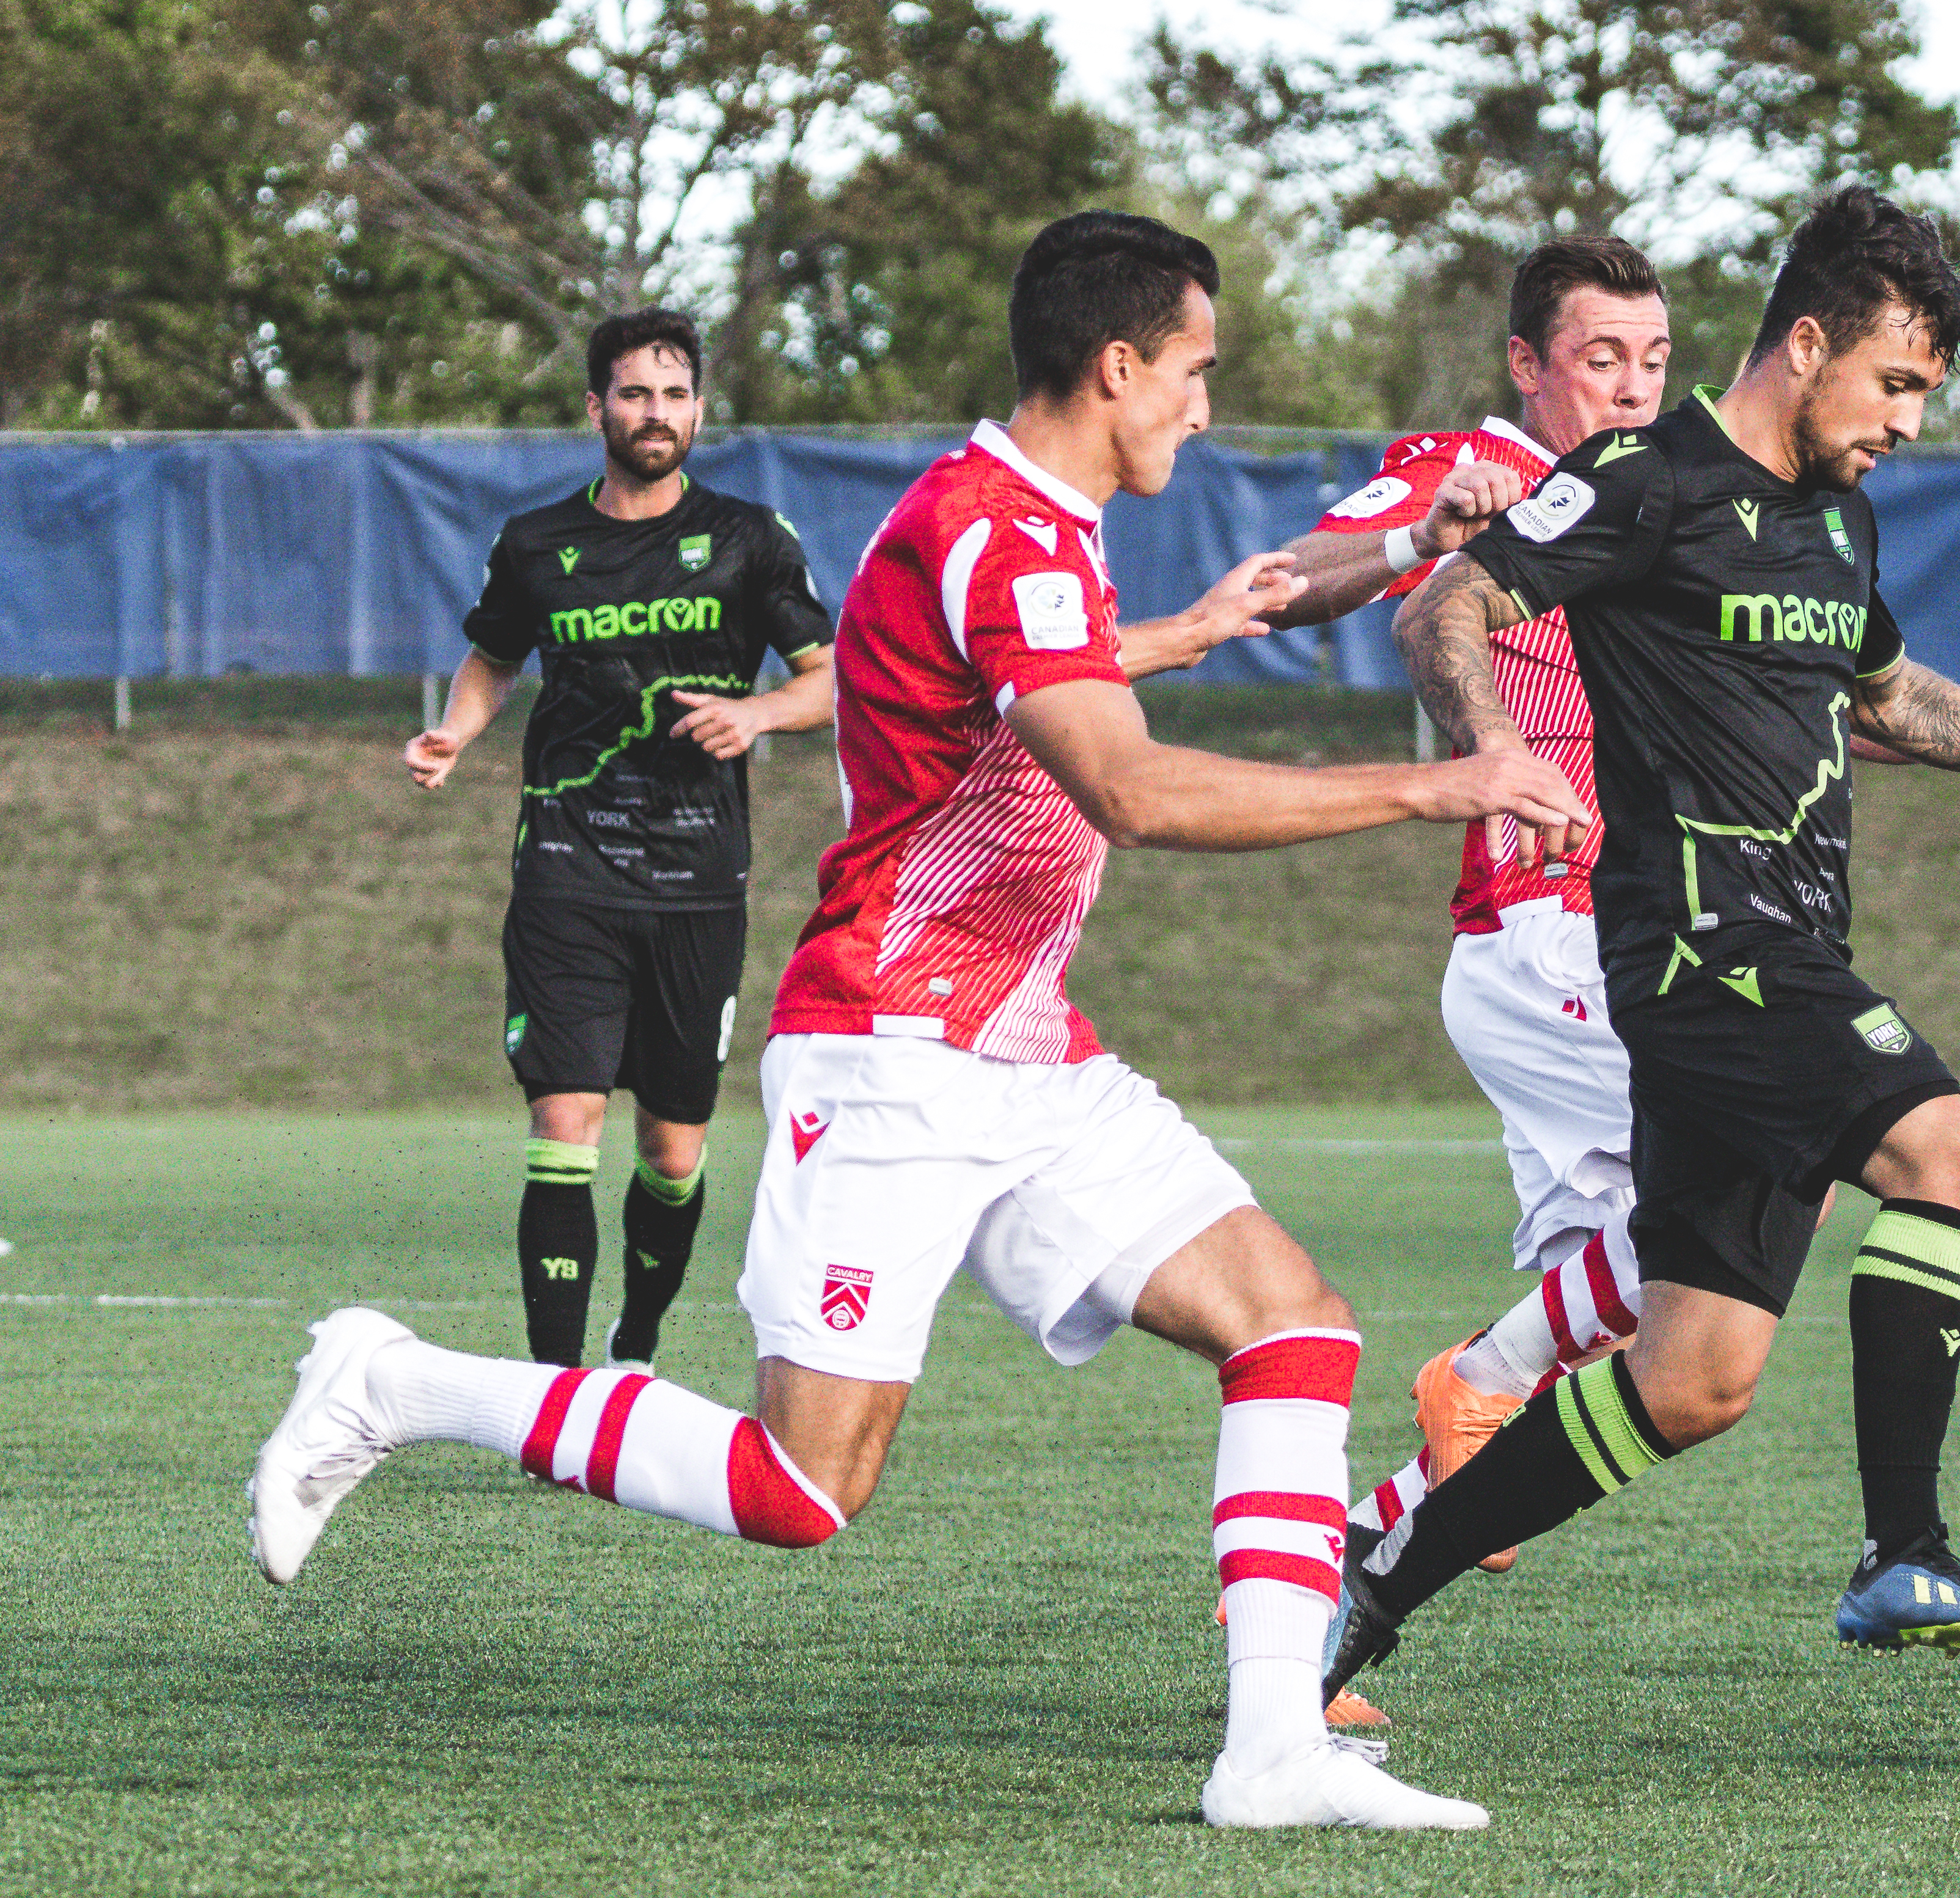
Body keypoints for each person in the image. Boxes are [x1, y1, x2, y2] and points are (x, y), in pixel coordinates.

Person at [251, 210, 1588, 1831]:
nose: (1202, 411)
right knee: (799, 1487)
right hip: (890, 1044)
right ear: (1119, 367)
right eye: (1196, 375)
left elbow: (1102, 667)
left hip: (1021, 1045)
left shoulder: (1036, 523)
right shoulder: (998, 531)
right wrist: (1445, 779)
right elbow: (1134, 787)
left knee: (1292, 1325)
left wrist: (1329, 574)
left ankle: (1269, 1752)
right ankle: (393, 1381)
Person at [1324, 187, 1960, 1711]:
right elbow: (1448, 609)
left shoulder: (1836, 519)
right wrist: (1486, 748)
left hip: (1777, 950)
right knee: (1953, 1154)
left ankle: (1376, 1581)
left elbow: (1883, 696)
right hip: (1696, 955)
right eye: (1895, 381)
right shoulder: (1640, 479)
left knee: (1691, 1379)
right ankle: (1900, 1546)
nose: (1908, 421)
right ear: (1805, 344)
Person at [403, 310, 837, 1373]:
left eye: (676, 394)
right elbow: (494, 657)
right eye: (636, 394)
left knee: (673, 1151)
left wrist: (759, 717)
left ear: (698, 409)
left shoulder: (749, 541)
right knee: (565, 1123)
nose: (658, 414)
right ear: (597, 406)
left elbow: (832, 679)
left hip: (698, 881)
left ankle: (634, 1342)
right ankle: (558, 1398)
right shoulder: (538, 544)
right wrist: (457, 730)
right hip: (566, 867)